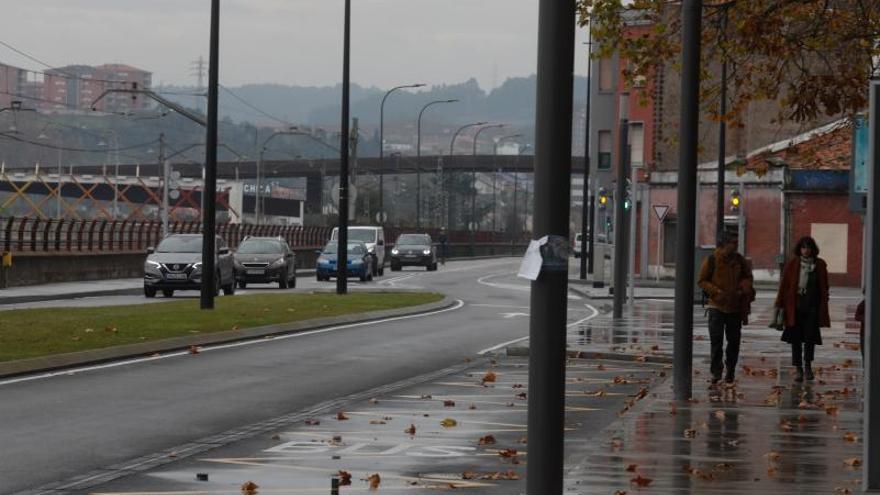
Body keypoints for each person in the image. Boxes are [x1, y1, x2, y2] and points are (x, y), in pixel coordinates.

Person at [698, 232, 754, 385]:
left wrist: (743, 289)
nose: (736, 245)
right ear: (724, 244)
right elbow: (702, 280)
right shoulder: (712, 259)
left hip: (735, 308)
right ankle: (716, 372)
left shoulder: (740, 260)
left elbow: (748, 277)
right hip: (717, 307)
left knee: (733, 342)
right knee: (716, 342)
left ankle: (730, 370)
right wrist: (716, 291)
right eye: (733, 242)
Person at [774, 236, 830, 382]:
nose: (806, 250)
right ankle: (798, 368)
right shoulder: (793, 264)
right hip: (795, 307)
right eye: (803, 247)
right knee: (796, 339)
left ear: (813, 249)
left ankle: (807, 366)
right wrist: (779, 304)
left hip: (812, 306)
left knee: (810, 338)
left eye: (808, 247)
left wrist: (823, 302)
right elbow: (784, 285)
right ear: (799, 249)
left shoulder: (820, 264)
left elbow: (824, 286)